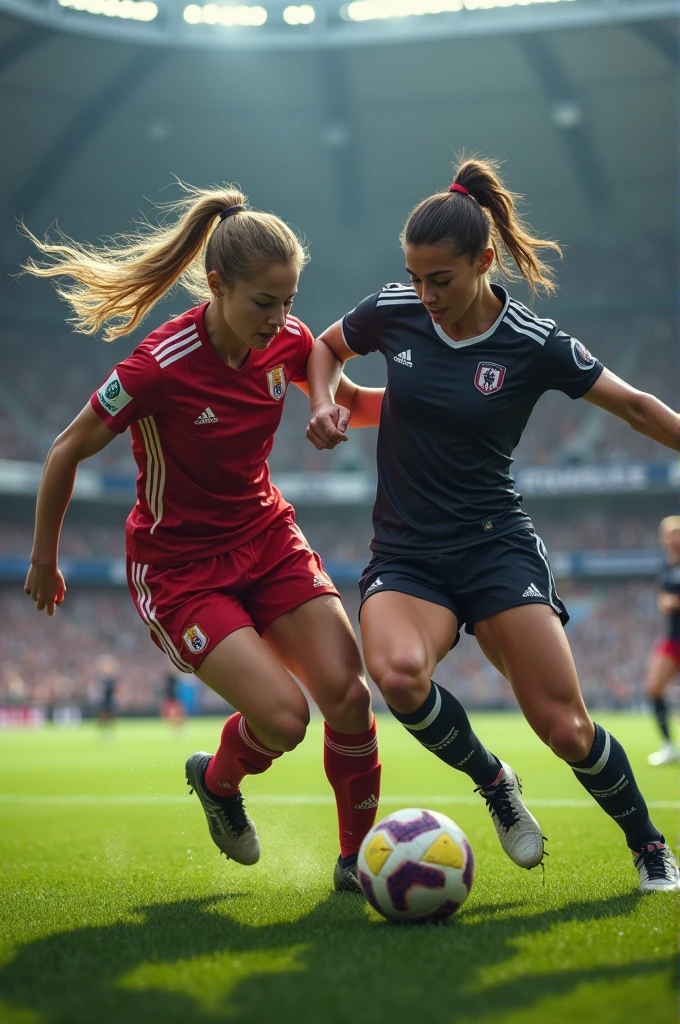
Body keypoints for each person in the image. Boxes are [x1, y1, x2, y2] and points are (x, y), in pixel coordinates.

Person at [306, 156, 679, 892]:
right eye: (413, 278)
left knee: (567, 729)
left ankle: (649, 847)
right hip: (407, 556)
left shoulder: (534, 343)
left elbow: (635, 405)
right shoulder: (395, 310)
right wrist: (325, 402)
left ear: (483, 262)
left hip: (495, 550)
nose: (423, 295)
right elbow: (324, 347)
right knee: (397, 675)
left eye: (438, 279)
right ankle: (493, 780)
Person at [22, 183, 383, 892]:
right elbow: (65, 449)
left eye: (288, 300)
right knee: (285, 720)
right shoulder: (158, 366)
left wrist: (376, 407)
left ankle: (356, 864)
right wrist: (43, 558)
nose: (280, 319)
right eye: (263, 303)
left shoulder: (286, 340)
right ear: (217, 286)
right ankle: (218, 784)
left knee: (349, 694)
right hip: (180, 567)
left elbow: (331, 380)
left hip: (267, 535)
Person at [645, 516, 680, 766]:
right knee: (654, 689)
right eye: (669, 533)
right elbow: (663, 599)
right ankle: (669, 745)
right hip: (673, 637)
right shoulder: (665, 567)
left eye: (677, 532)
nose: (673, 538)